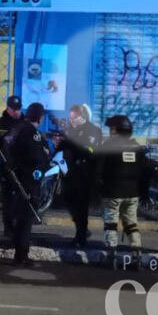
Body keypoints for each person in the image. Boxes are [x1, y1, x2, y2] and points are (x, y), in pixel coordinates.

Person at [91, 115, 149, 269]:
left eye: (111, 128)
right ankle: (137, 256)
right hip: (133, 193)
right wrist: (143, 192)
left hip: (112, 192)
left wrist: (97, 189)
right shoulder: (137, 146)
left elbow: (97, 170)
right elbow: (146, 172)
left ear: (116, 130)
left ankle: (111, 257)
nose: (110, 131)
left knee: (111, 223)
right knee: (131, 223)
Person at [0, 101, 51, 267]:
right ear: (40, 117)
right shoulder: (33, 133)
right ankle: (22, 256)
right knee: (26, 220)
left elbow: (5, 143)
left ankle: (19, 253)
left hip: (16, 179)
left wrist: (11, 164)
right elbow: (38, 159)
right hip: (28, 182)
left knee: (20, 217)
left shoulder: (18, 128)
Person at [56, 103, 103, 247]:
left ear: (82, 117)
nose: (71, 121)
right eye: (70, 118)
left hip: (85, 174)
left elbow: (88, 150)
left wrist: (69, 140)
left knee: (81, 206)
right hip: (70, 173)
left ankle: (81, 236)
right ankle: (81, 229)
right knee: (69, 201)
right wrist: (59, 143)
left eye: (74, 118)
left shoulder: (93, 130)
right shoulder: (71, 129)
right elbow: (65, 147)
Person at [0, 95, 22, 237]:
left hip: (23, 169)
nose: (16, 112)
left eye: (18, 109)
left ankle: (20, 228)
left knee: (22, 200)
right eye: (13, 109)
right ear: (7, 108)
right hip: (7, 168)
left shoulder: (25, 123)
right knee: (8, 201)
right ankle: (9, 228)